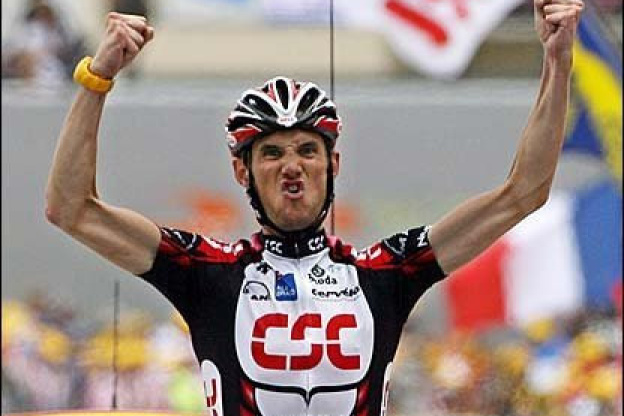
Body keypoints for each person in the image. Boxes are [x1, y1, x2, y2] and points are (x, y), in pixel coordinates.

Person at [45, 1, 584, 413]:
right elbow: (71, 208)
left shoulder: (386, 272)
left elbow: (524, 193)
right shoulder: (207, 271)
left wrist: (558, 61)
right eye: (272, 153)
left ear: (333, 165)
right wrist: (97, 78)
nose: (292, 166)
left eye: (307, 150)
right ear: (242, 172)